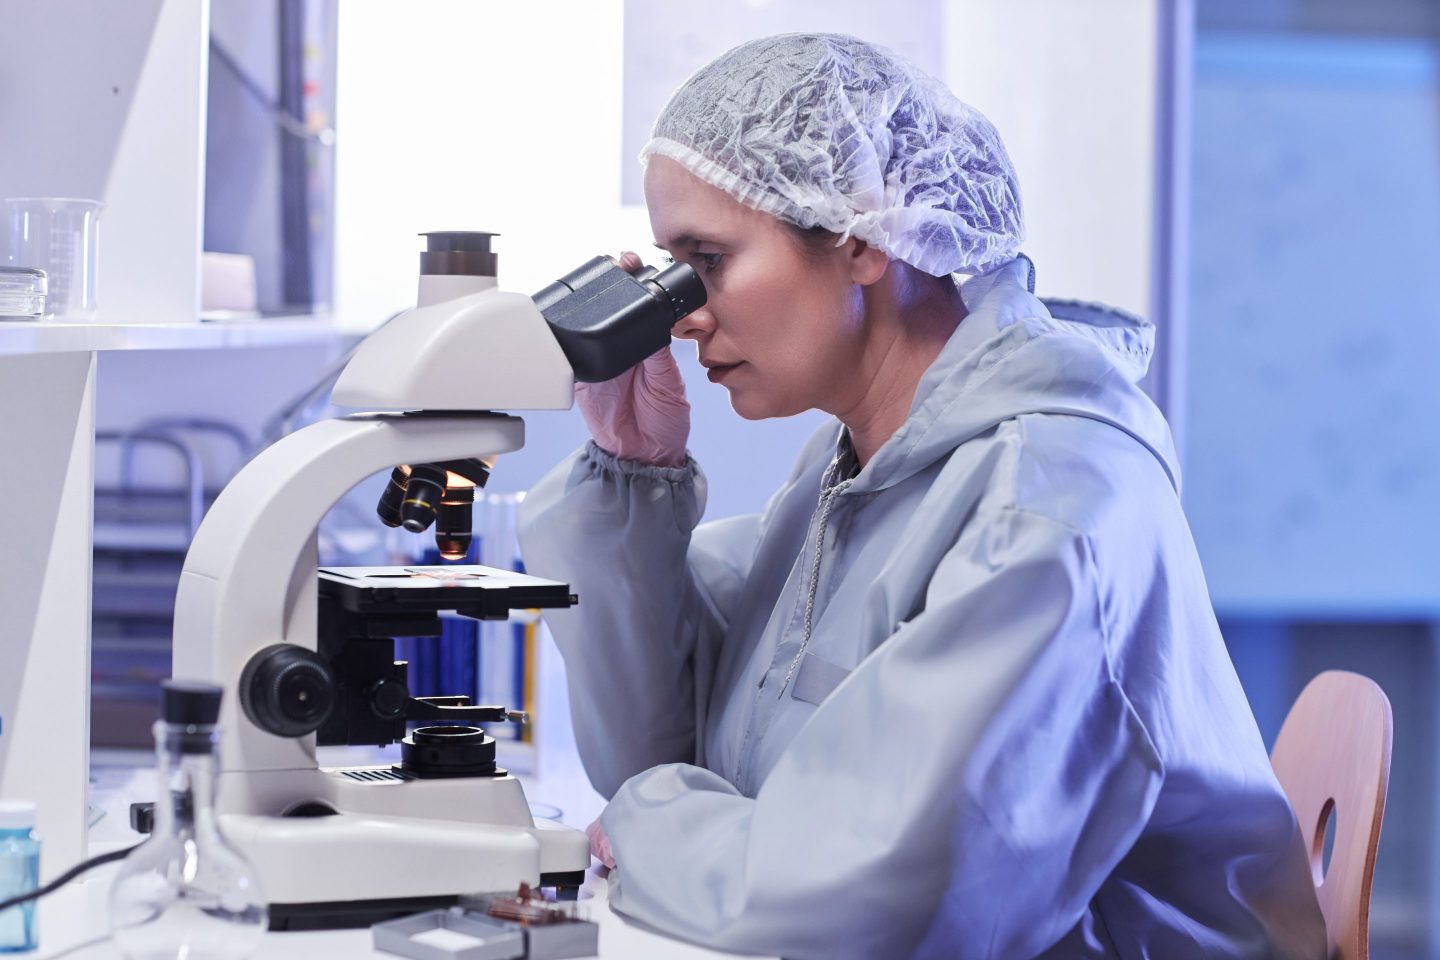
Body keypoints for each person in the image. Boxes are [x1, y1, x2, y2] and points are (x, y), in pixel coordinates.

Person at [517, 33, 1324, 960]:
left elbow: (878, 909)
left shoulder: (1046, 507)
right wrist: (635, 475)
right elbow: (674, 743)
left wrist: (643, 822)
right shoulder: (856, 468)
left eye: (707, 260)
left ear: (859, 238)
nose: (684, 310)